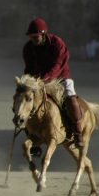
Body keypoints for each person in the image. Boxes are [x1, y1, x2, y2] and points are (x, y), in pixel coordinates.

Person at [23, 17, 84, 148]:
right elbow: (28, 69)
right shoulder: (28, 48)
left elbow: (57, 66)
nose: (33, 39)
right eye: (31, 36)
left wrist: (43, 80)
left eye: (35, 36)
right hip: (38, 81)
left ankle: (78, 132)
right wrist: (27, 83)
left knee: (70, 95)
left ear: (43, 34)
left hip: (60, 77)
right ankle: (30, 133)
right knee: (26, 100)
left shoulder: (58, 44)